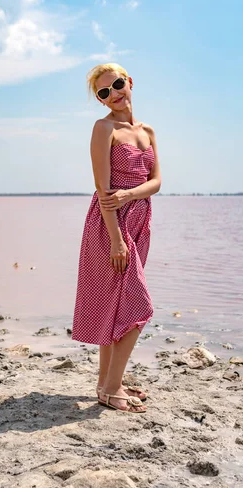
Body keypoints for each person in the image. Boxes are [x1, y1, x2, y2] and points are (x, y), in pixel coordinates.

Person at [72, 63, 161, 413]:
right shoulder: (103, 127)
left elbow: (157, 182)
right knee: (138, 305)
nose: (114, 94)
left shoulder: (147, 130)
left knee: (118, 303)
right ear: (100, 100)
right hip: (111, 224)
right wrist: (116, 240)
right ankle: (110, 388)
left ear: (130, 82)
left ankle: (107, 382)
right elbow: (104, 188)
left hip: (139, 218)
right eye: (104, 92)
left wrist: (130, 196)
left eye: (118, 85)